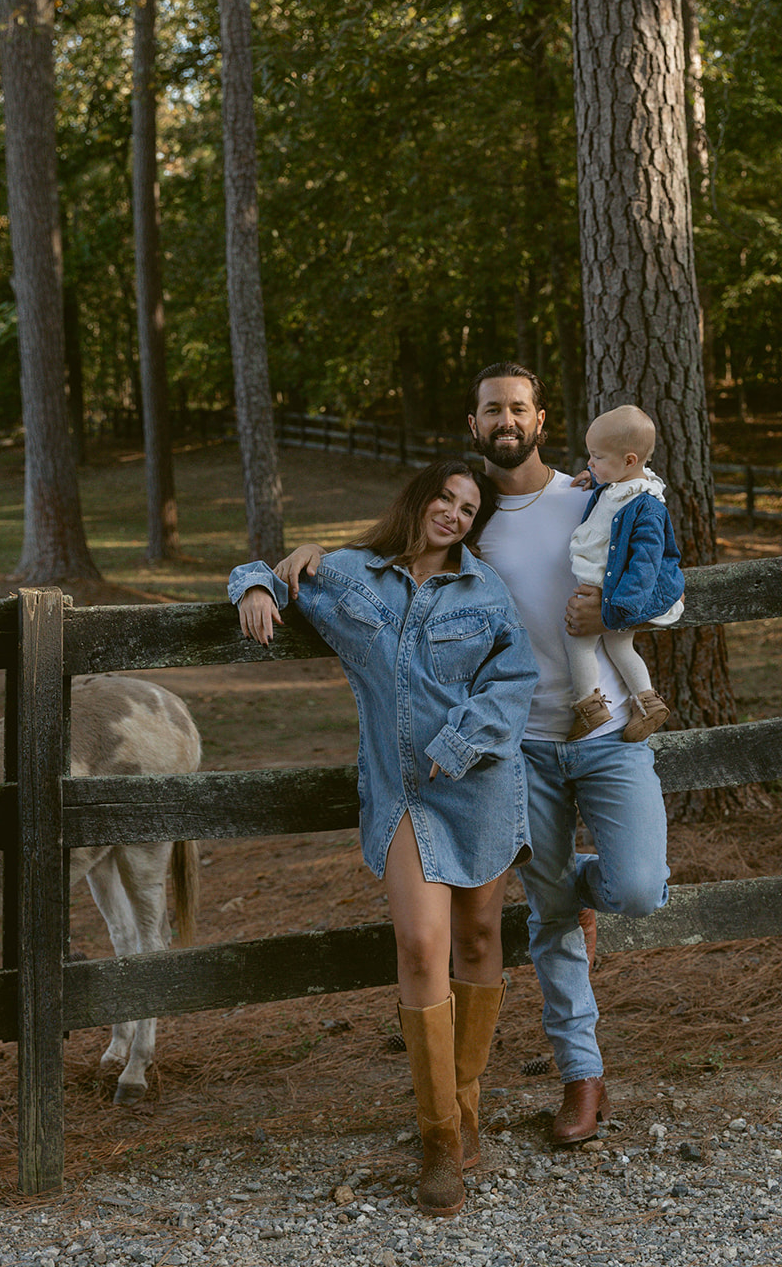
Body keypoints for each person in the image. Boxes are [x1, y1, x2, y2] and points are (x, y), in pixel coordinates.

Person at [276, 366, 671, 1148]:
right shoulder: (474, 519)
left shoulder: (590, 495)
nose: (506, 419)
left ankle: (569, 890)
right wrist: (298, 556)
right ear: (474, 420)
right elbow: (390, 564)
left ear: (538, 416)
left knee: (636, 887)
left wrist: (620, 604)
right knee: (540, 924)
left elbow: (662, 579)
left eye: (518, 408)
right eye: (492, 408)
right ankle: (576, 1081)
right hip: (518, 748)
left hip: (601, 732)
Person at [230, 460, 538, 1217]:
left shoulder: (485, 590)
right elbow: (256, 567)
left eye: (470, 509)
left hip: (481, 780)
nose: (456, 515)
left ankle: (466, 1111)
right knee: (421, 945)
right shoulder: (350, 577)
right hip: (403, 792)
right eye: (448, 498)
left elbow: (516, 680)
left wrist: (465, 742)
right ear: (420, 497)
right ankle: (438, 1139)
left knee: (477, 935)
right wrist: (260, 587)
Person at [565, 404, 685, 742]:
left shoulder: (646, 505)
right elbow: (610, 490)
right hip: (609, 593)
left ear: (630, 461)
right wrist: (595, 478)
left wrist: (620, 609)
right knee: (620, 649)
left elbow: (646, 561)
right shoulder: (618, 483)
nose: (589, 462)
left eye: (596, 457)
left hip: (611, 596)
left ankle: (590, 708)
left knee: (577, 641)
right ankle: (647, 702)